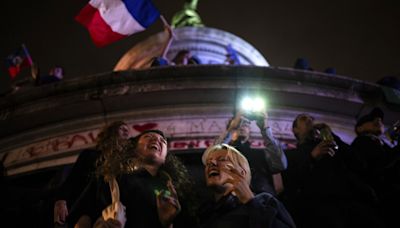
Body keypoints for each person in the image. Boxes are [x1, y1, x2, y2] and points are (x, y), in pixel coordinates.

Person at [67, 130, 198, 228]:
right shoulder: (108, 179)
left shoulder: (176, 192)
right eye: (148, 136)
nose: (157, 140)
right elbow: (82, 215)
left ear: (165, 158)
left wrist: (168, 223)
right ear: (133, 148)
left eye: (162, 141)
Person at [282, 113, 384, 228]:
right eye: (304, 119)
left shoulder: (330, 145)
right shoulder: (290, 155)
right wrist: (312, 158)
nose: (310, 120)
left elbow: (358, 163)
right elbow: (290, 183)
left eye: (311, 118)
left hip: (351, 204)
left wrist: (333, 136)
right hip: (320, 211)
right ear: (295, 129)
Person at [199, 143, 296, 228]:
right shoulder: (204, 212)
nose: (211, 163)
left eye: (222, 159)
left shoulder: (266, 202)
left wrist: (251, 202)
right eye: (208, 163)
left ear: (242, 172)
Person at [53, 121, 131, 226]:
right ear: (111, 132)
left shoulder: (127, 160)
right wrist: (61, 200)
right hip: (86, 207)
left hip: (111, 207)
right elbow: (73, 179)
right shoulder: (90, 155)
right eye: (122, 128)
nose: (126, 131)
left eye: (127, 130)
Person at [215, 110, 287, 195]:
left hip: (261, 200)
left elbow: (280, 165)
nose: (242, 127)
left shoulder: (260, 154)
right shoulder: (225, 154)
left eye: (246, 124)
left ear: (249, 130)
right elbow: (212, 157)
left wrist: (265, 130)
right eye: (240, 123)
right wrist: (232, 128)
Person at [350, 107, 400, 227]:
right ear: (359, 128)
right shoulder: (361, 142)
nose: (378, 120)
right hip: (380, 200)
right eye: (370, 119)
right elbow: (382, 164)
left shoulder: (383, 144)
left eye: (380, 121)